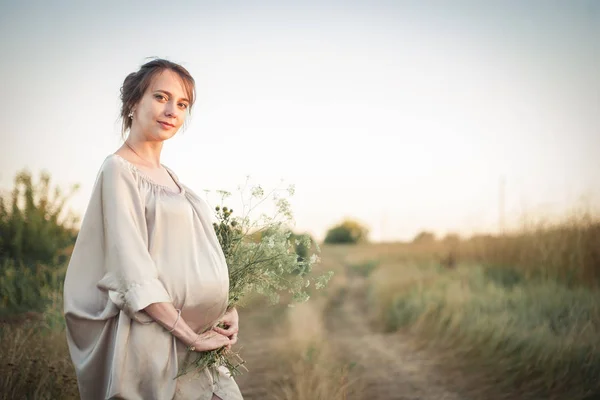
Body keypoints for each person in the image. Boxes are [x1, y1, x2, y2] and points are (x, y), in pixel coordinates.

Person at [63, 58, 244, 400]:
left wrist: (225, 309)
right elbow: (132, 272)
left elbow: (187, 258)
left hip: (198, 339)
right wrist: (190, 337)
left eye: (182, 104)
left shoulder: (173, 178)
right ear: (133, 103)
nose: (172, 110)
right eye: (161, 97)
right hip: (156, 340)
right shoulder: (119, 171)